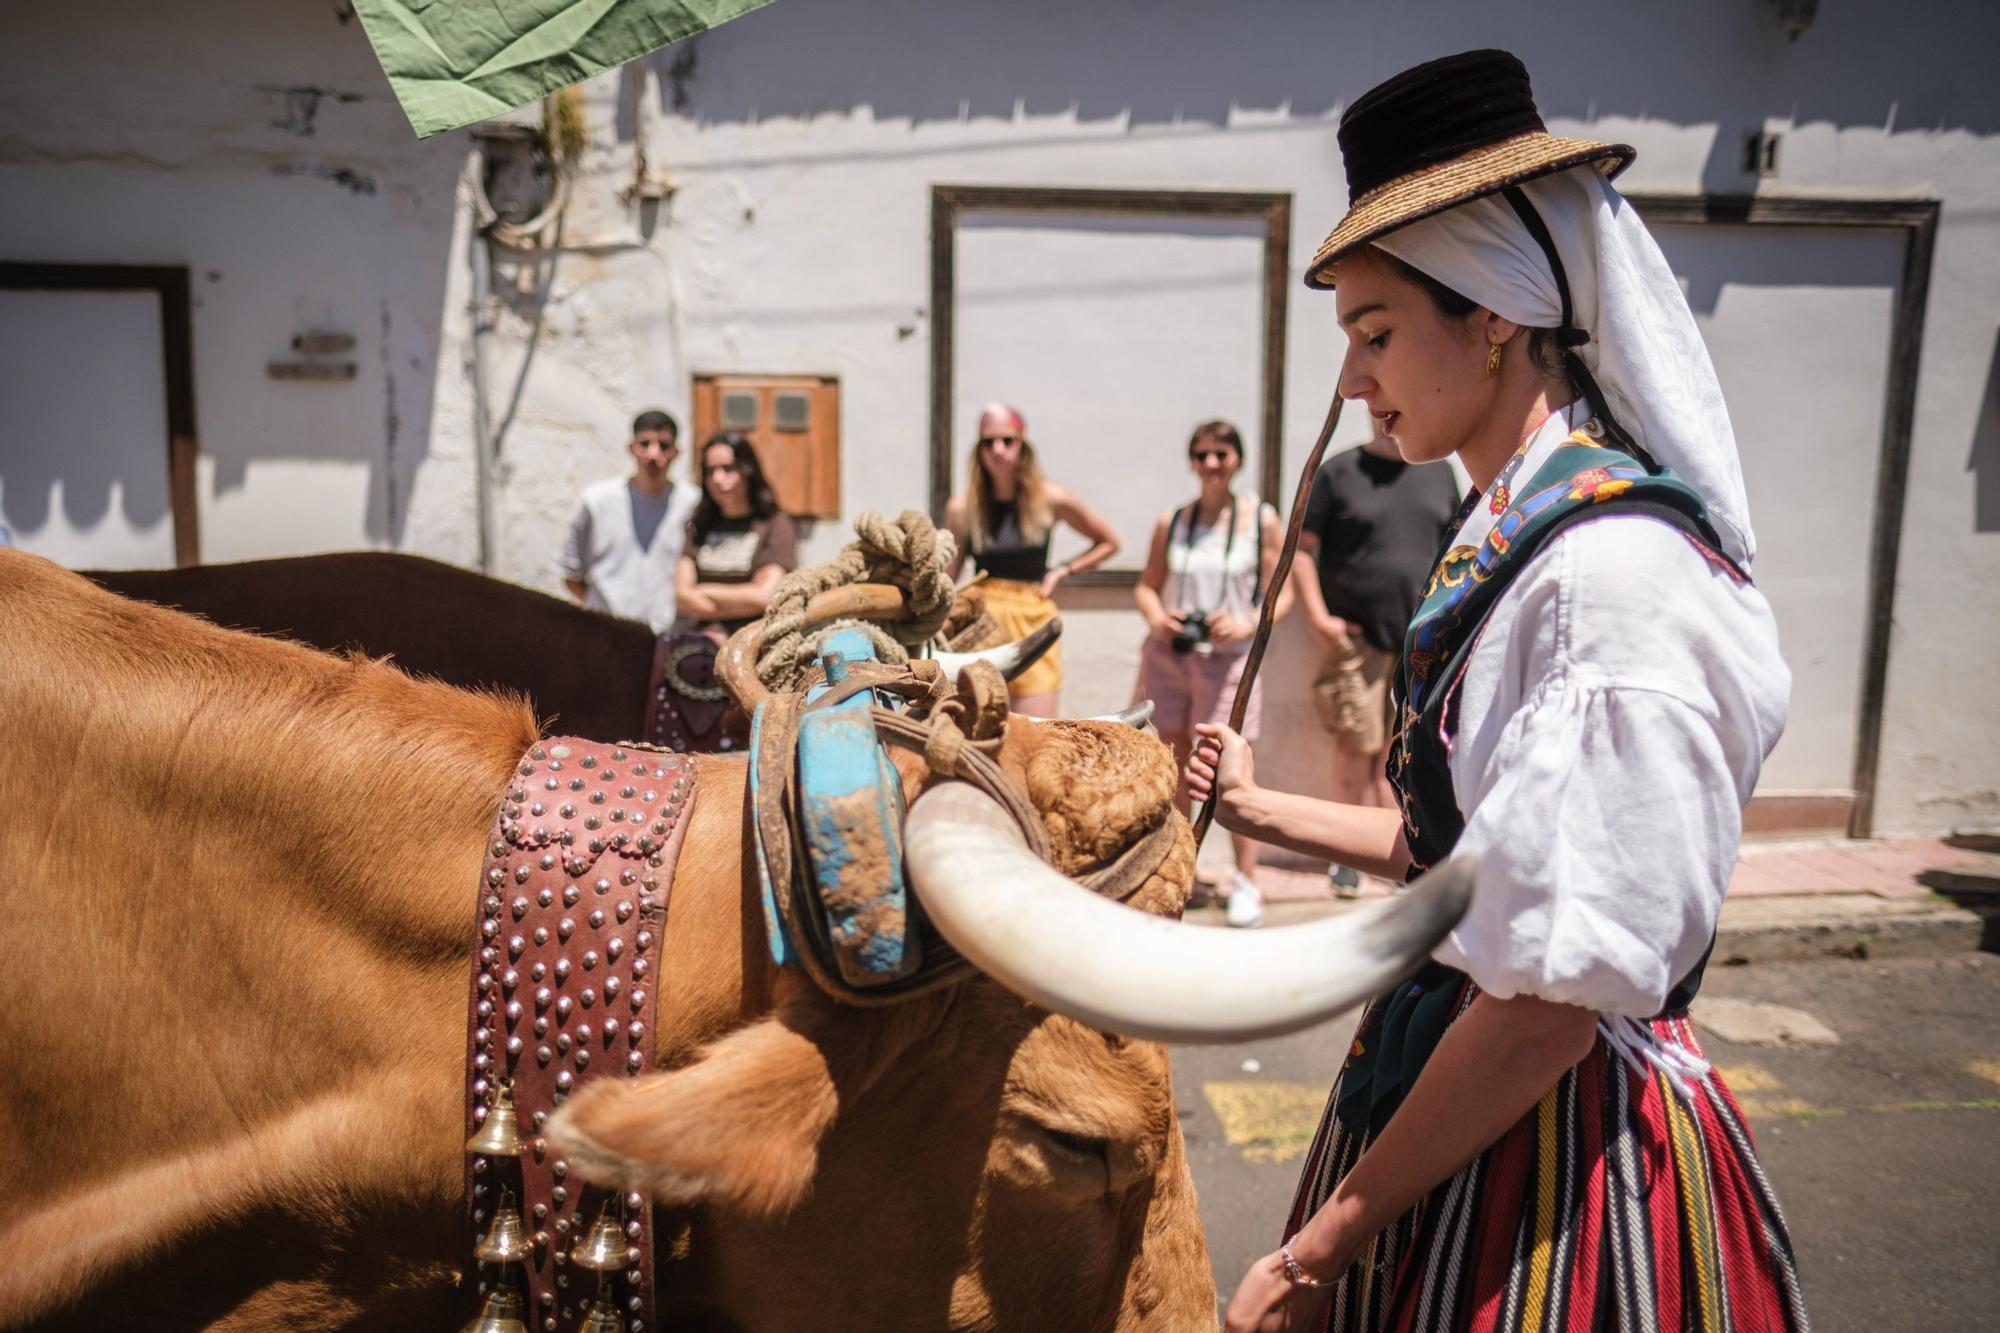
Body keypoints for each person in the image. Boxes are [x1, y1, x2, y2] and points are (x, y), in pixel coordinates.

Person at [1188, 50, 1805, 1332]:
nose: (1352, 381)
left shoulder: (1603, 578)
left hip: (1559, 1172)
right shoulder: (1506, 536)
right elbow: (1472, 859)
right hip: (1448, 1110)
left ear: (1493, 316)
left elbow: (1539, 1012)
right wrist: (1264, 811)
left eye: (1374, 334)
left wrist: (1318, 1253)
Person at [1133, 419, 1291, 928]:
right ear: (1192, 462)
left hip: (1228, 661)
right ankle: (1185, 872)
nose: (1212, 464)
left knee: (1228, 767)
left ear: (1238, 460)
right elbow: (1147, 586)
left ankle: (1247, 879)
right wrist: (1160, 619)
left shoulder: (1260, 519)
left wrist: (1244, 622)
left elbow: (1279, 591)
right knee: (1174, 767)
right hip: (1171, 657)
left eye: (1221, 454)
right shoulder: (1173, 521)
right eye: (1202, 455)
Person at [1298, 418, 1459, 896]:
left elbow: (1456, 544)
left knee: (1409, 755)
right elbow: (1302, 551)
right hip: (1358, 643)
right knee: (1356, 752)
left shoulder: (1439, 471)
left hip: (1424, 644)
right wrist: (1318, 619)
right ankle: (1346, 860)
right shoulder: (1339, 472)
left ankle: (1403, 858)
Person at [943, 403, 1119, 717]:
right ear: (978, 450)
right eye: (988, 442)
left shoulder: (1051, 498)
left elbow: (1108, 541)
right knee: (982, 731)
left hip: (1033, 614)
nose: (999, 450)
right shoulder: (962, 507)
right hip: (984, 620)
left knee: (1035, 730)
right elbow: (950, 573)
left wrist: (1062, 572)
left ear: (1023, 446)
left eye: (1008, 440)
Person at [558, 409, 702, 632]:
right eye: (645, 444)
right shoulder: (596, 501)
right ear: (631, 448)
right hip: (608, 634)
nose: (653, 454)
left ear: (676, 451)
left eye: (663, 445)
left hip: (672, 637)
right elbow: (571, 575)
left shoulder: (693, 504)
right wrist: (605, 614)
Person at [674, 431, 798, 639]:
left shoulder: (775, 524)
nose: (718, 479)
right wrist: (743, 595)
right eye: (710, 471)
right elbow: (682, 596)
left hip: (755, 643)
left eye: (728, 469)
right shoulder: (699, 524)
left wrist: (702, 590)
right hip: (698, 643)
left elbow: (764, 597)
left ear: (747, 469)